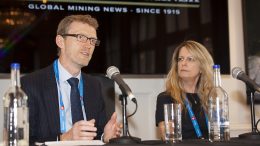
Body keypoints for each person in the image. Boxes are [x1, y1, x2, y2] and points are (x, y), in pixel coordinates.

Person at [21, 14, 121, 144]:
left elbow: (97, 134)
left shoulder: (94, 85)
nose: (88, 45)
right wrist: (63, 138)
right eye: (81, 37)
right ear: (60, 41)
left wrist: (105, 136)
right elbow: (23, 140)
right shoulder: (31, 84)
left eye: (92, 40)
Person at [155, 40, 214, 140]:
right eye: (180, 59)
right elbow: (166, 136)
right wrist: (166, 129)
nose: (183, 63)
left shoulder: (211, 96)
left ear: (202, 68)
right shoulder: (166, 98)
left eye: (190, 59)